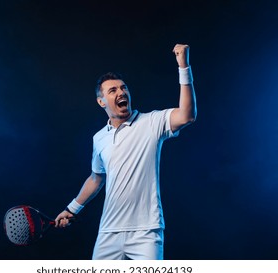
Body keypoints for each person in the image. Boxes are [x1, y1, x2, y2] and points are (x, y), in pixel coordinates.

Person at [54, 44, 197, 260]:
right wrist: (72, 209)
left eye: (124, 88)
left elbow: (187, 115)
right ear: (101, 102)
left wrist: (183, 66)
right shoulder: (99, 138)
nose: (121, 92)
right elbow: (96, 178)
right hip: (109, 231)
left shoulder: (151, 122)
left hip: (146, 232)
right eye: (113, 90)